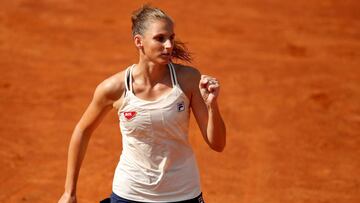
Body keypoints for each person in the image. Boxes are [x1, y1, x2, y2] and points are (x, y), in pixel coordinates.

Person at [58, 5, 226, 203]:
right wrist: (69, 192)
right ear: (139, 41)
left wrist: (212, 105)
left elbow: (218, 144)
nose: (169, 45)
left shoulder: (187, 80)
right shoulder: (114, 88)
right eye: (160, 38)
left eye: (171, 38)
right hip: (130, 194)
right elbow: (82, 130)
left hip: (183, 194)